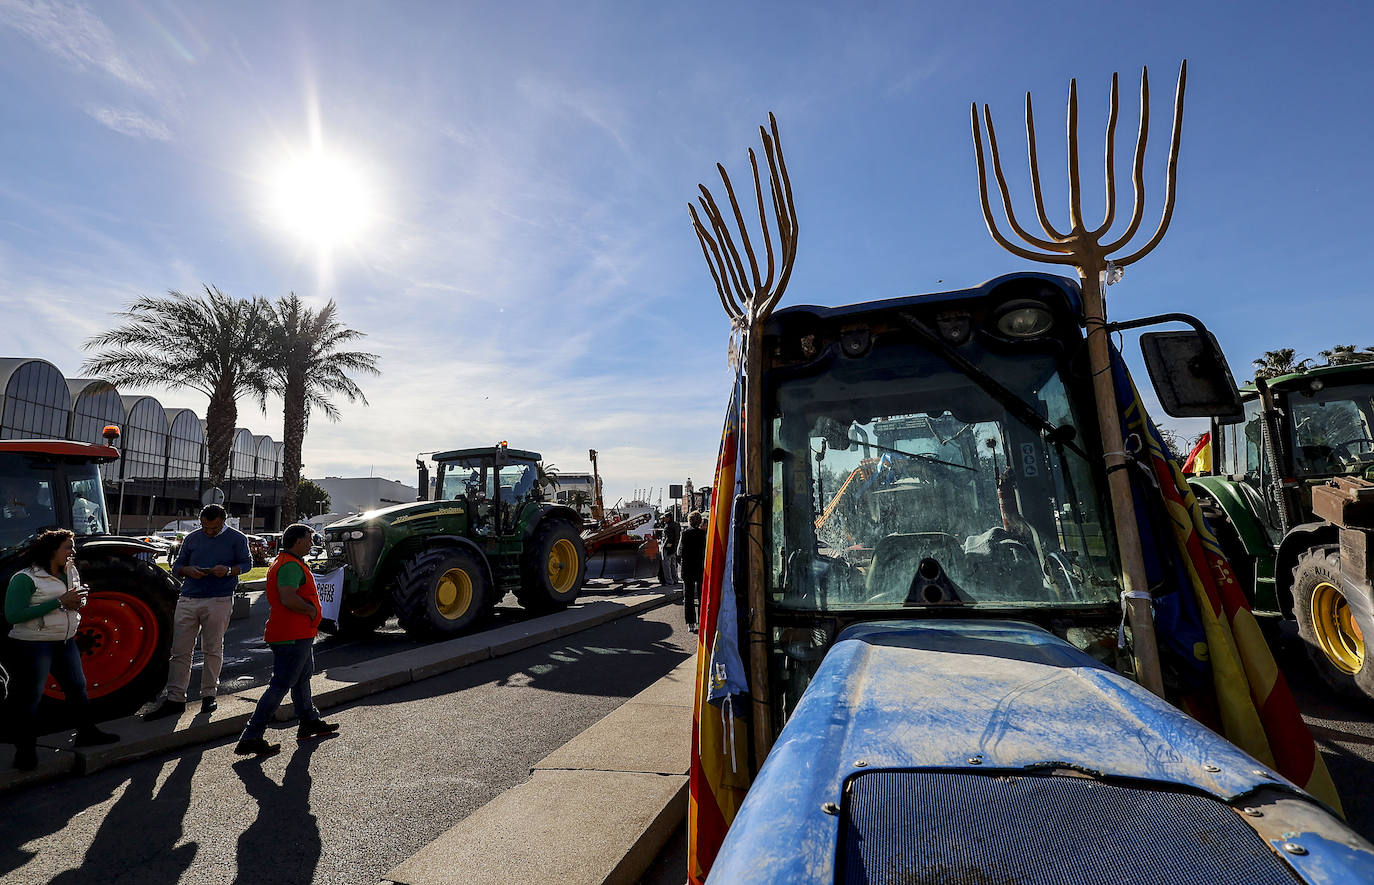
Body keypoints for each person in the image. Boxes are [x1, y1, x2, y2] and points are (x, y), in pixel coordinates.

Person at [5, 529, 119, 770]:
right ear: (51, 550)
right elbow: (13, 615)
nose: (73, 551)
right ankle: (25, 752)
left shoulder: (70, 570)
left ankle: (87, 733)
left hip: (64, 641)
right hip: (33, 645)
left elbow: (72, 600)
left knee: (77, 689)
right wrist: (59, 601)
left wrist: (80, 599)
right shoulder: (25, 578)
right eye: (68, 547)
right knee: (29, 698)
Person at [235, 523, 339, 758]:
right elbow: (289, 598)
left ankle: (309, 721)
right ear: (298, 541)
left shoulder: (287, 562)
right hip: (292, 635)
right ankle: (251, 736)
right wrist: (312, 611)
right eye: (309, 539)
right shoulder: (290, 566)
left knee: (301, 679)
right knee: (281, 684)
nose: (312, 543)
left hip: (297, 633)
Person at [144, 504, 253, 720]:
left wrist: (230, 570)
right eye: (204, 526)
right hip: (189, 596)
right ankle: (176, 698)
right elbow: (177, 566)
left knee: (212, 648)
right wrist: (188, 570)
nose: (208, 531)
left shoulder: (237, 538)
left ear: (224, 521)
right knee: (180, 650)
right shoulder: (193, 538)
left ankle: (209, 694)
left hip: (220, 598)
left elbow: (247, 564)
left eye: (213, 528)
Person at [678, 510, 707, 633]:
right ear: (700, 521)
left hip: (688, 568)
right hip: (701, 568)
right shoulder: (703, 534)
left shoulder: (685, 534)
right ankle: (702, 622)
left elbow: (679, 552)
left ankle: (690, 623)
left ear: (689, 521)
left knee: (688, 597)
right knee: (702, 596)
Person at [659, 511, 681, 586]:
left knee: (666, 566)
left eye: (664, 518)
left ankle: (669, 581)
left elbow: (669, 539)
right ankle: (675, 579)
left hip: (669, 549)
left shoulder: (668, 526)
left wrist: (666, 548)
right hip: (674, 548)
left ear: (668, 518)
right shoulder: (676, 525)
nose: (663, 519)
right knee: (673, 565)